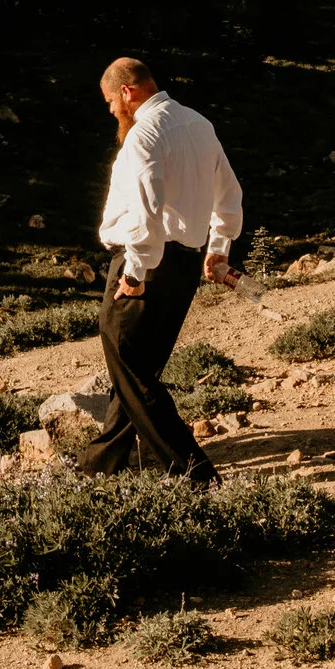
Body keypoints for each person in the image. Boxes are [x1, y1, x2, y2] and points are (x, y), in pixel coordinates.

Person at [78, 56, 245, 484]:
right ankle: (99, 467)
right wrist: (219, 248)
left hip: (146, 264)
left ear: (128, 92)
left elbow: (146, 215)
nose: (112, 110)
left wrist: (133, 274)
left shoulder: (144, 136)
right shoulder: (198, 124)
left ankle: (195, 473)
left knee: (127, 361)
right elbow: (229, 192)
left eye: (111, 101)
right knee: (137, 371)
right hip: (185, 265)